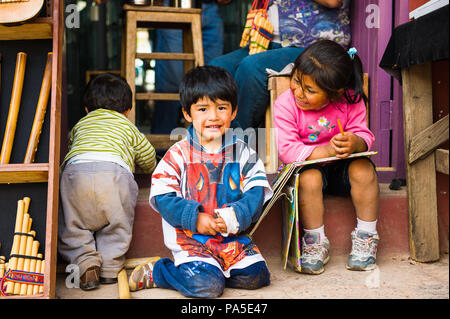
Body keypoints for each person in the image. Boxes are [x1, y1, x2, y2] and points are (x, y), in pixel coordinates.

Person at [128, 66, 273, 298]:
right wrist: (195, 218)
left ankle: (216, 271)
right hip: (192, 242)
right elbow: (163, 197)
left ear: (234, 112)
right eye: (203, 109)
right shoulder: (177, 154)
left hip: (230, 240)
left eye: (222, 108)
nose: (213, 116)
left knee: (257, 276)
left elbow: (256, 191)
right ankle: (160, 272)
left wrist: (236, 215)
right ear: (187, 114)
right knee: (208, 287)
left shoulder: (244, 152)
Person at [273, 40, 379, 274]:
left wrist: (356, 142)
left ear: (335, 93)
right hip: (309, 172)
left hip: (343, 171)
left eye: (310, 90)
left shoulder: (350, 100)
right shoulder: (286, 105)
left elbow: (363, 134)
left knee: (363, 169)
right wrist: (326, 151)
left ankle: (366, 236)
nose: (298, 92)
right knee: (309, 178)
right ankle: (314, 241)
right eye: (296, 80)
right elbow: (287, 150)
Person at [58, 73, 157, 290]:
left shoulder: (80, 125)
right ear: (127, 110)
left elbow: (70, 144)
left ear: (86, 109)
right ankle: (110, 269)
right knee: (117, 223)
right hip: (114, 175)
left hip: (75, 175)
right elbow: (148, 156)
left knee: (73, 224)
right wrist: (151, 170)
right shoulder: (128, 126)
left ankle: (86, 266)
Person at [209, 0, 351, 130]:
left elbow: (333, 1)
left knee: (251, 68)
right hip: (264, 40)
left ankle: (236, 146)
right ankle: (210, 143)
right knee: (215, 70)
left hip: (312, 46)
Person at [151, 0, 231, 135]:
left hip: (211, 8)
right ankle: (162, 146)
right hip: (174, 6)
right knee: (171, 81)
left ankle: (209, 139)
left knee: (213, 81)